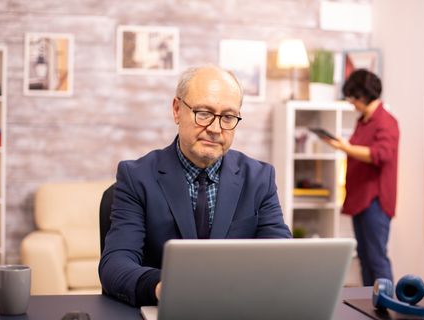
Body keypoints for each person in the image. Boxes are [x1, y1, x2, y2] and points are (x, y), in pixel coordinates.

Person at [99, 64, 292, 307]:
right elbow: (115, 263)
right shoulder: (136, 177)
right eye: (203, 113)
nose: (214, 128)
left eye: (228, 117)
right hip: (164, 312)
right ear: (177, 110)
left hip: (237, 311)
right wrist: (164, 287)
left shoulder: (260, 178)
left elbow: (281, 257)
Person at [322, 69, 399, 286]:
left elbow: (381, 154)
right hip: (360, 198)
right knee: (365, 258)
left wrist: (346, 147)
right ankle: (369, 305)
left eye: (352, 97)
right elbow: (358, 149)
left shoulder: (385, 121)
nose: (351, 102)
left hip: (375, 199)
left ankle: (387, 306)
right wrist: (343, 146)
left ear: (362, 96)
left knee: (376, 258)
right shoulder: (364, 120)